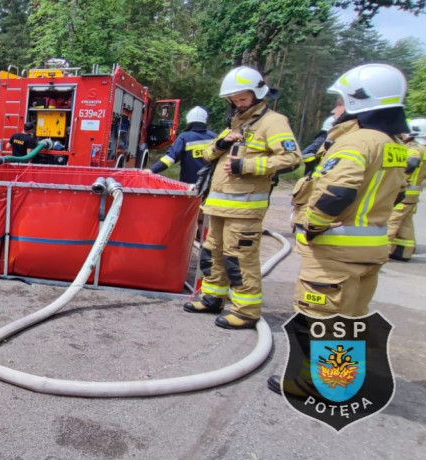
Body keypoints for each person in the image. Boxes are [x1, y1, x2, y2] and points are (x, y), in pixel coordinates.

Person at [269, 63, 409, 394]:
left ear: (361, 102)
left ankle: (314, 384)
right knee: (347, 318)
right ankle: (337, 380)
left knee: (320, 316)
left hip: (338, 250)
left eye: (340, 102)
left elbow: (338, 192)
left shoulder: (357, 142)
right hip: (370, 249)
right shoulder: (393, 145)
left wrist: (311, 226)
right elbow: (399, 192)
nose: (335, 109)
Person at [184, 66, 300, 330]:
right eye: (234, 100)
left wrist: (246, 167)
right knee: (212, 253)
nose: (237, 104)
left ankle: (245, 311)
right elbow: (206, 155)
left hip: (246, 209)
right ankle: (212, 297)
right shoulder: (237, 123)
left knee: (239, 259)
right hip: (219, 206)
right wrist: (221, 145)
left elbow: (293, 158)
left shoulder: (273, 122)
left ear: (258, 94)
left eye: (243, 99)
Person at [387, 118, 426, 260]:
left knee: (391, 221)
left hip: (405, 191)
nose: (402, 135)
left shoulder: (415, 148)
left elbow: (412, 163)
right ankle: (404, 252)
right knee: (405, 223)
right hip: (413, 195)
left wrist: (402, 175)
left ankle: (380, 251)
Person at [149, 106, 217, 184]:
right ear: (205, 120)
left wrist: (152, 170)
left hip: (189, 185)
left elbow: (169, 159)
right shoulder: (215, 137)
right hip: (211, 184)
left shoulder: (184, 137)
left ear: (189, 121)